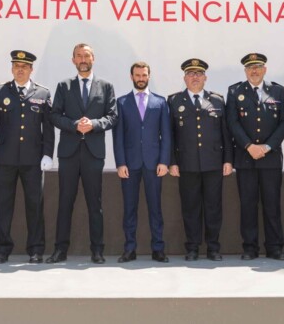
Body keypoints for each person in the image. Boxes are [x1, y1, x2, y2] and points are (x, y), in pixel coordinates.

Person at [49, 43, 118, 264]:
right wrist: (74, 124)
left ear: (93, 58)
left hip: (93, 153)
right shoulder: (63, 85)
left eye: (86, 55)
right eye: (78, 56)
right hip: (69, 153)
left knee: (94, 204)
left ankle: (97, 250)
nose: (83, 59)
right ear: (73, 60)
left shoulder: (106, 86)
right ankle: (60, 250)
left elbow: (112, 116)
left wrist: (95, 124)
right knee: (65, 203)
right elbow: (55, 115)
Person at [0, 50, 54, 264]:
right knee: (4, 206)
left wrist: (48, 154)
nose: (20, 69)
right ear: (12, 69)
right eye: (16, 66)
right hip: (4, 159)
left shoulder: (43, 93)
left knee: (35, 206)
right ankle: (3, 249)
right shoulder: (0, 91)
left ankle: (36, 249)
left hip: (33, 160)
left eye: (24, 66)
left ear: (31, 69)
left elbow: (48, 128)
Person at [226, 52, 284, 260]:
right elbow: (232, 122)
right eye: (250, 68)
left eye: (258, 67)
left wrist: (268, 146)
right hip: (246, 158)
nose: (254, 71)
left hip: (270, 158)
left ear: (265, 69)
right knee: (248, 204)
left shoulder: (278, 91)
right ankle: (250, 247)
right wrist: (248, 145)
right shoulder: (235, 91)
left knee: (272, 204)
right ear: (245, 71)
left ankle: (275, 247)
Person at [168, 59, 233, 261]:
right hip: (186, 164)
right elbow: (169, 135)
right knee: (190, 207)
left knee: (213, 207)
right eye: (191, 74)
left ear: (205, 78)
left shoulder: (217, 100)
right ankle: (193, 247)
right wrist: (172, 161)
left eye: (199, 73)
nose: (195, 77)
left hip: (213, 163)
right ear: (184, 78)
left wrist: (228, 160)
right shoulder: (174, 101)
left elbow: (226, 134)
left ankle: (213, 247)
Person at [113, 61, 171, 262]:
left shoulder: (160, 102)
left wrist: (164, 161)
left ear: (149, 76)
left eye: (144, 75)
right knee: (129, 208)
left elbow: (166, 135)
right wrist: (120, 163)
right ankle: (130, 248)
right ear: (131, 77)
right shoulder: (121, 102)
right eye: (137, 75)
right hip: (130, 164)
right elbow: (118, 136)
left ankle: (158, 248)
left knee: (156, 208)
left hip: (154, 164)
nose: (140, 78)